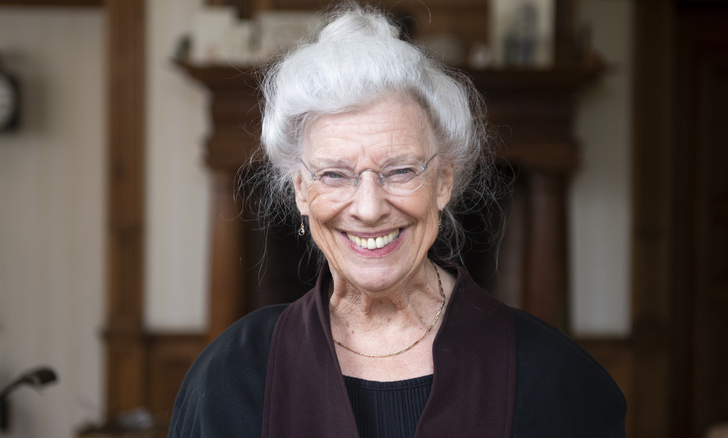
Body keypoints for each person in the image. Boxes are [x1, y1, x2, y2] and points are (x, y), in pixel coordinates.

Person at [169, 5, 626, 438]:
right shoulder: (231, 376)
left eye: (401, 170)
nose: (369, 208)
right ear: (301, 191)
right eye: (334, 175)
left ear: (444, 182)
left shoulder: (551, 375)